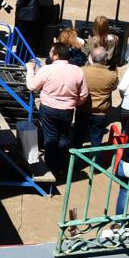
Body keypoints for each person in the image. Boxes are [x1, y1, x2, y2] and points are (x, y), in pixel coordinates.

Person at [24, 43, 88, 174]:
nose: (49, 54)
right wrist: (75, 103)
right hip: (67, 110)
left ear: (56, 56)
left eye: (51, 52)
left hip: (48, 108)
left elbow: (31, 86)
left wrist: (30, 70)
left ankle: (52, 167)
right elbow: (84, 94)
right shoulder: (77, 71)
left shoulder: (47, 70)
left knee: (51, 137)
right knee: (64, 137)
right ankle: (62, 167)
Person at [82, 48, 119, 144]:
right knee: (96, 139)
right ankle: (93, 158)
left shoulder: (82, 71)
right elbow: (114, 88)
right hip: (100, 112)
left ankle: (74, 158)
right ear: (105, 59)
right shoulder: (112, 75)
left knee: (78, 136)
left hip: (83, 109)